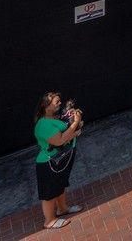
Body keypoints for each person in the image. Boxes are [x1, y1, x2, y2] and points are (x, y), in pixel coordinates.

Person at [33, 92, 83, 229]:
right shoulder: (43, 125)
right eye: (57, 102)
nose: (60, 103)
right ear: (45, 106)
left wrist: (74, 122)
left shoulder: (55, 117)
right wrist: (76, 124)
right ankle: (49, 221)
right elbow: (60, 140)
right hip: (48, 162)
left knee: (59, 185)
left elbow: (67, 132)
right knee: (49, 193)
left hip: (60, 159)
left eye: (60, 101)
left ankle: (63, 209)